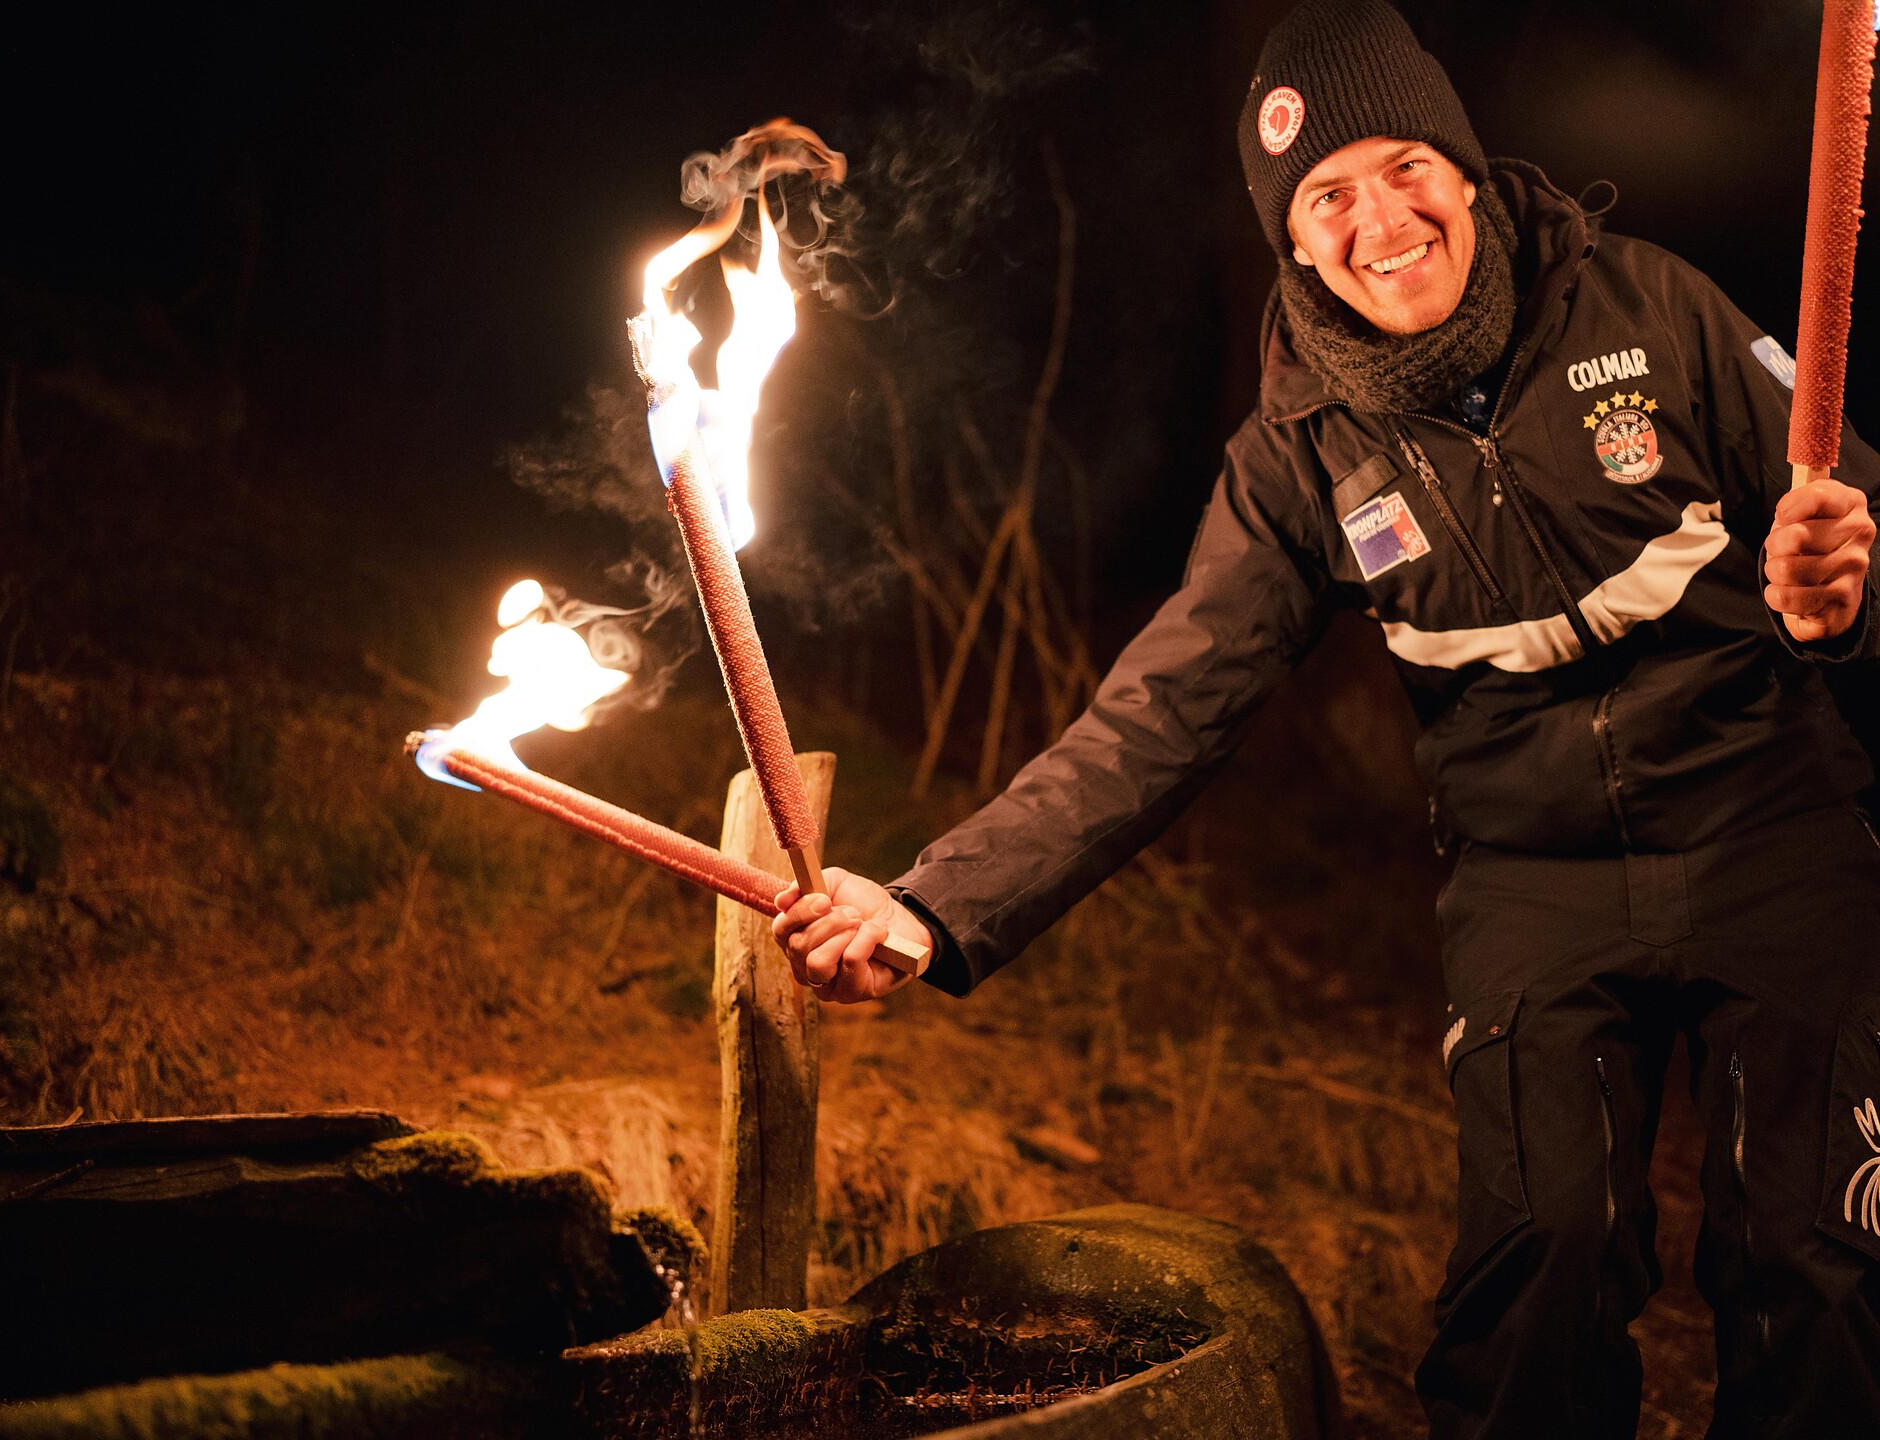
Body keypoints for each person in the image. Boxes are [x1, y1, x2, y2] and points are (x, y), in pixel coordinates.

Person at [771, 1, 1880, 1434]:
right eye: (1328, 198)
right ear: (1295, 243)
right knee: (1539, 1263)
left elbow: (1848, 517)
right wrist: (931, 907)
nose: (1381, 217)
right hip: (1532, 877)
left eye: (1407, 165)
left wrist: (1845, 581)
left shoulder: (1655, 310)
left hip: (1769, 828)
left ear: (1466, 172)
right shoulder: (1298, 460)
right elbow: (1158, 714)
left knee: (1814, 1263)